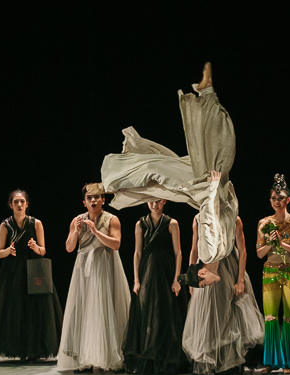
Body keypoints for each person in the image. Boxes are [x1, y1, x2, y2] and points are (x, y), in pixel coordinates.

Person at [101, 62, 237, 281]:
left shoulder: (209, 254)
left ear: (202, 273)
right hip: (214, 194)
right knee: (212, 152)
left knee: (163, 170)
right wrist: (226, 194)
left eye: (204, 283)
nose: (208, 284)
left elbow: (208, 218)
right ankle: (208, 92)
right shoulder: (220, 254)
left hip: (208, 192)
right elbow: (225, 218)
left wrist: (212, 189)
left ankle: (113, 181)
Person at [57, 183, 130, 373]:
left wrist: (96, 232)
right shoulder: (77, 220)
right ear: (84, 202)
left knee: (102, 310)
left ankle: (104, 357)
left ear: (103, 200)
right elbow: (69, 247)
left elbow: (116, 244)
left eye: (96, 197)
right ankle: (83, 357)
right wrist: (75, 231)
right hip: (83, 270)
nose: (93, 200)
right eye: (89, 198)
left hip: (103, 267)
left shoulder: (111, 219)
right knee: (83, 308)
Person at [0, 189, 63, 361]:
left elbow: (43, 250)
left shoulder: (36, 223)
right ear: (10, 205)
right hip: (13, 271)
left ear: (27, 204)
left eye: (22, 202)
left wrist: (36, 247)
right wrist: (8, 250)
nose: (19, 205)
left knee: (36, 309)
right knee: (15, 310)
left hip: (33, 269)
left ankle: (36, 350)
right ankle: (19, 349)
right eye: (16, 202)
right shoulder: (5, 225)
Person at [183, 211, 264, 375]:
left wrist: (240, 279)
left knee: (228, 313)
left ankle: (229, 362)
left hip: (229, 267)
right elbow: (194, 250)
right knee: (208, 314)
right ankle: (211, 361)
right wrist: (191, 278)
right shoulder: (199, 219)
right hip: (206, 267)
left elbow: (242, 251)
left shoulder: (234, 219)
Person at [123, 198, 188, 375]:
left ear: (164, 200)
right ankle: (148, 357)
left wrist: (177, 279)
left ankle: (165, 358)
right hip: (147, 272)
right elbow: (137, 253)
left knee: (165, 313)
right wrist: (136, 279)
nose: (154, 205)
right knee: (146, 313)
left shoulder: (171, 223)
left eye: (158, 201)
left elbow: (178, 253)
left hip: (165, 272)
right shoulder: (140, 224)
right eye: (151, 201)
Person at [255, 174, 290, 372]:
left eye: (281, 198)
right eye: (274, 198)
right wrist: (270, 242)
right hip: (270, 272)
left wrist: (283, 244)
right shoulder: (263, 223)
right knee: (270, 317)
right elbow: (260, 254)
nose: (277, 201)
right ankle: (271, 361)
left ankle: (289, 362)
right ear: (270, 200)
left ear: (288, 200)